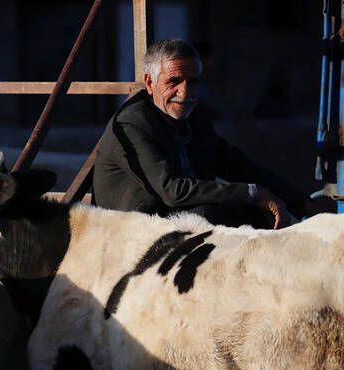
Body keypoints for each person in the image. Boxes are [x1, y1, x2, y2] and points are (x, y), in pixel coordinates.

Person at [93, 38, 331, 229]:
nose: (185, 92)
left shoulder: (193, 116)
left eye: (193, 82)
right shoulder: (133, 123)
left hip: (176, 217)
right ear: (149, 83)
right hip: (132, 229)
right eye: (174, 81)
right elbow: (172, 190)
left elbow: (235, 164)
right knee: (211, 215)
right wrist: (252, 193)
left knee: (258, 214)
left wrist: (298, 201)